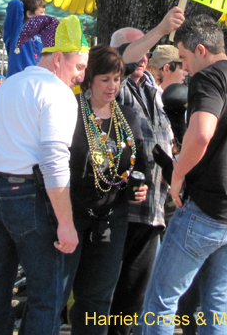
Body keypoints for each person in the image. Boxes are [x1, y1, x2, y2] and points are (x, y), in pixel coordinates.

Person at [139, 15, 227, 335]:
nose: (184, 68)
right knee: (217, 307)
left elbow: (200, 135)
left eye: (183, 58)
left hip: (205, 211)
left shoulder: (207, 79)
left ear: (200, 50)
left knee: (160, 302)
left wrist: (177, 177)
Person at [0, 14, 88, 335]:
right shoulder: (58, 94)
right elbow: (54, 159)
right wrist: (66, 223)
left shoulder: (7, 86)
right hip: (29, 195)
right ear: (58, 60)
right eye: (78, 67)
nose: (81, 76)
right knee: (46, 295)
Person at [107, 7, 184, 335]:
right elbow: (124, 60)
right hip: (122, 206)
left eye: (148, 51)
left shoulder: (153, 86)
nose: (145, 56)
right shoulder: (116, 86)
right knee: (112, 292)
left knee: (136, 295)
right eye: (138, 49)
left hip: (153, 208)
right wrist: (161, 28)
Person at [63, 44, 147, 335]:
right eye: (105, 79)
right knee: (56, 293)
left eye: (117, 79)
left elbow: (141, 165)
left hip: (112, 218)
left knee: (97, 300)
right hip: (72, 214)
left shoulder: (128, 118)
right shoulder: (70, 111)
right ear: (89, 79)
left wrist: (140, 186)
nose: (113, 86)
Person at [4, 0, 46, 77]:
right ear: (29, 14)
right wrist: (27, 1)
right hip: (17, 82)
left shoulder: (40, 36)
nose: (44, 16)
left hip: (35, 81)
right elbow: (15, 4)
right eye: (41, 12)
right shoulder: (15, 30)